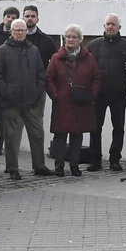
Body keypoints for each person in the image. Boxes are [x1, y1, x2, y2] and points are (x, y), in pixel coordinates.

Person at [0, 18, 50, 180]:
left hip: (31, 100)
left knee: (37, 134)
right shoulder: (2, 50)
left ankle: (39, 165)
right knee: (11, 137)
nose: (19, 33)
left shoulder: (34, 50)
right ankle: (12, 168)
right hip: (10, 101)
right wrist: (6, 92)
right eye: (16, 30)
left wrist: (38, 92)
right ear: (11, 31)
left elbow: (40, 73)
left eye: (22, 30)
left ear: (26, 32)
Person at [86, 13, 126, 171]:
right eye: (107, 24)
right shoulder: (93, 45)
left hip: (119, 94)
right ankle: (95, 159)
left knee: (119, 127)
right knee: (95, 127)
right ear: (104, 26)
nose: (110, 27)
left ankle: (115, 159)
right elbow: (86, 68)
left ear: (119, 27)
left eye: (113, 24)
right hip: (98, 94)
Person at [47, 25, 101, 177]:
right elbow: (48, 78)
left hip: (82, 103)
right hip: (62, 102)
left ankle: (74, 165)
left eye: (74, 37)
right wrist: (55, 95)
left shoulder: (88, 58)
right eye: (68, 37)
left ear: (80, 40)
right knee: (60, 135)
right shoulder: (57, 58)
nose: (71, 40)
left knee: (77, 134)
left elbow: (96, 77)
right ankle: (59, 165)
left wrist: (93, 94)